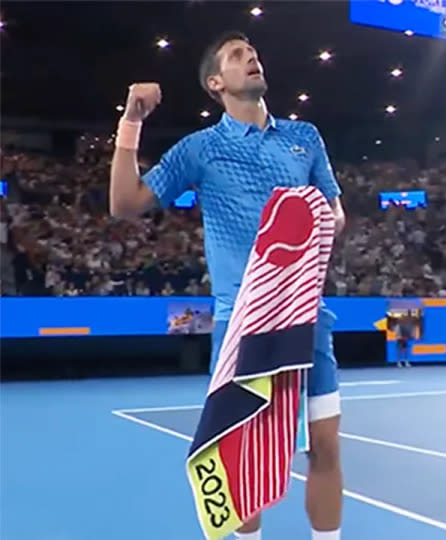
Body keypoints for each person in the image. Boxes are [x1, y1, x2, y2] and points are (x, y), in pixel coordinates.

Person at [108, 32, 346, 540]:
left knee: (326, 448)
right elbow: (124, 202)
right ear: (216, 83)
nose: (252, 58)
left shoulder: (305, 137)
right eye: (237, 57)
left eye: (254, 52)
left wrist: (310, 221)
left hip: (307, 319)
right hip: (243, 325)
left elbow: (335, 212)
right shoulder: (200, 150)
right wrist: (131, 122)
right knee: (243, 457)